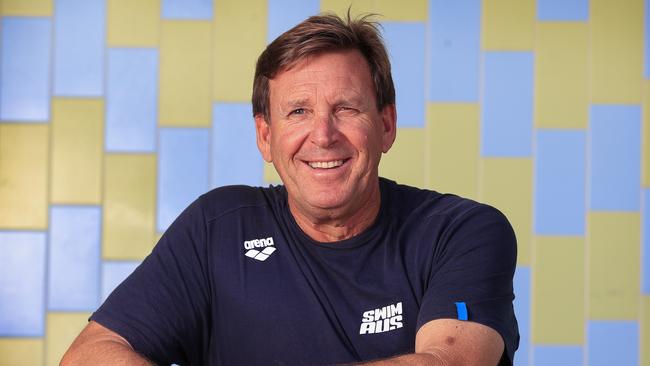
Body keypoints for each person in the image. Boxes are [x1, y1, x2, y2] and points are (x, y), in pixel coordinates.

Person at [62, 13, 519, 365]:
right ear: (265, 136)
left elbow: (448, 361)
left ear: (386, 124)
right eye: (298, 111)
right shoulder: (216, 229)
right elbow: (91, 353)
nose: (323, 135)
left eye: (346, 108)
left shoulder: (460, 232)